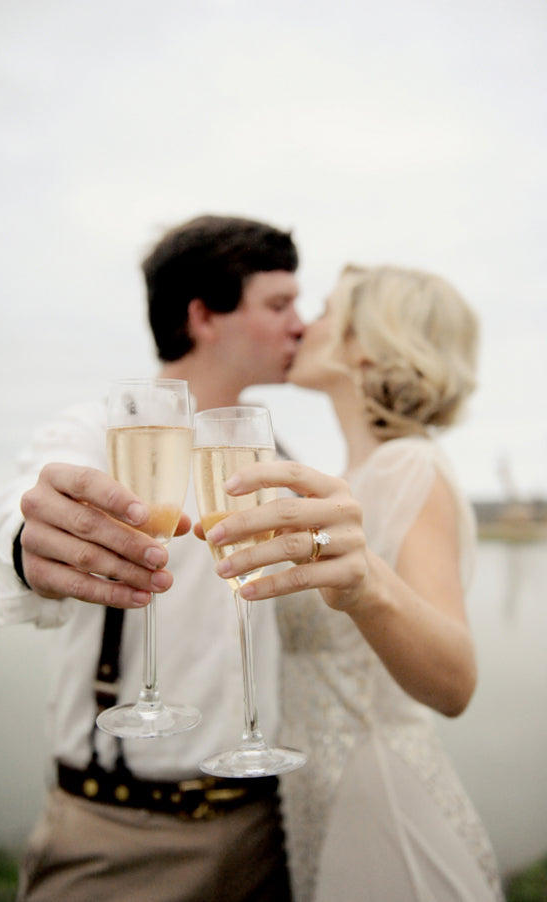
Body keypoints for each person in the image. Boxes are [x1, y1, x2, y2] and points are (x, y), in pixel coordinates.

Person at [0, 214, 304, 902]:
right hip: (121, 838)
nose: (300, 324)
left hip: (267, 832)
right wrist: (22, 539)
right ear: (203, 315)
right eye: (279, 304)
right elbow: (19, 504)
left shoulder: (277, 458)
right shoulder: (100, 430)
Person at [201, 265, 505, 902]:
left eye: (323, 311)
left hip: (385, 809)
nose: (301, 326)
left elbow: (455, 684)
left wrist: (369, 588)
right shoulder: (348, 477)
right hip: (316, 800)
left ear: (366, 343)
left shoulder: (407, 466)